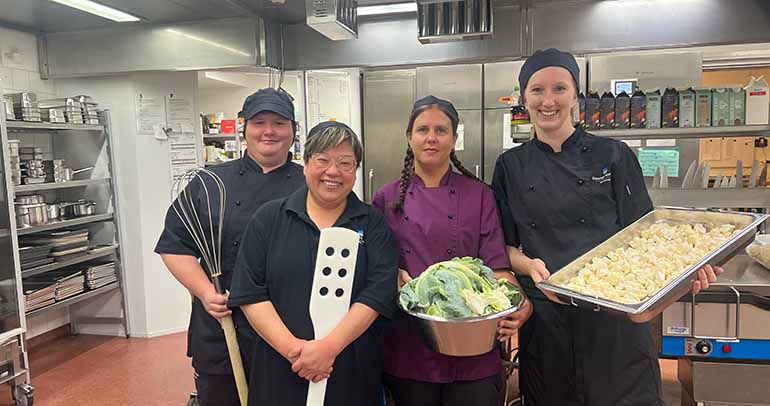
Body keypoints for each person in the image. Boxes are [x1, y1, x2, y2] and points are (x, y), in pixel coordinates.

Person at [490, 48, 723, 406]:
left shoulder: (614, 154)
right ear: (524, 97)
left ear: (575, 95)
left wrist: (686, 271)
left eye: (559, 88)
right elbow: (503, 247)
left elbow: (647, 237)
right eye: (537, 90)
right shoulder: (510, 165)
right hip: (548, 320)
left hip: (616, 319)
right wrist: (530, 267)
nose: (548, 100)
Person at [372, 95, 532, 406]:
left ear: (454, 139)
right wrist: (390, 276)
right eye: (422, 130)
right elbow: (375, 267)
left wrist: (520, 302)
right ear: (409, 138)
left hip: (473, 341)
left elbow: (496, 266)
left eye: (441, 130)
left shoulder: (479, 195)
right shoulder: (386, 199)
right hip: (410, 342)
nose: (431, 138)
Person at [227, 121, 398, 405]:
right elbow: (251, 292)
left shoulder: (371, 223)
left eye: (345, 163)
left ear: (355, 171)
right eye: (323, 160)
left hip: (349, 369)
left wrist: (328, 349)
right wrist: (296, 352)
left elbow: (378, 293)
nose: (333, 171)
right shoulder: (270, 219)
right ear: (305, 163)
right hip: (281, 367)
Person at [155, 87, 305, 406]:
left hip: (288, 330)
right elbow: (174, 245)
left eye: (279, 122)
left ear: (293, 130)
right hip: (222, 327)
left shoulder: (310, 185)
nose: (268, 131)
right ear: (244, 128)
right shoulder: (211, 183)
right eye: (259, 122)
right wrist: (205, 292)